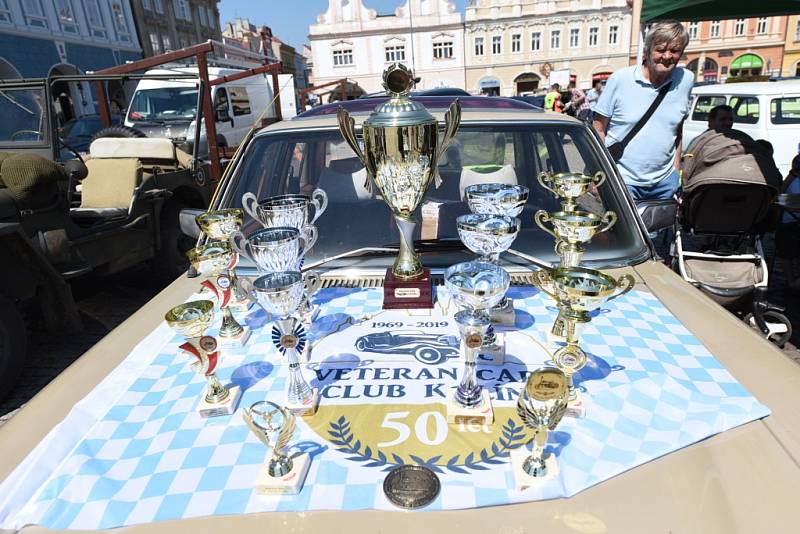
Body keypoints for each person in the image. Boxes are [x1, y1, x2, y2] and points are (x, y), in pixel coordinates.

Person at [592, 20, 694, 201]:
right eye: (661, 50)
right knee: (624, 230)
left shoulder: (685, 80)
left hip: (664, 183)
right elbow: (598, 129)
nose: (667, 56)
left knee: (658, 230)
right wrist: (598, 174)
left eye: (675, 51)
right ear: (647, 50)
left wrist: (675, 169)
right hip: (622, 179)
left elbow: (677, 127)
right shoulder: (620, 80)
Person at [776, 154, 800, 291]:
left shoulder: (792, 181)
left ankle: (791, 281)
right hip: (791, 224)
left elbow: (778, 196)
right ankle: (793, 281)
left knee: (786, 249)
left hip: (789, 223)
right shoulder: (793, 181)